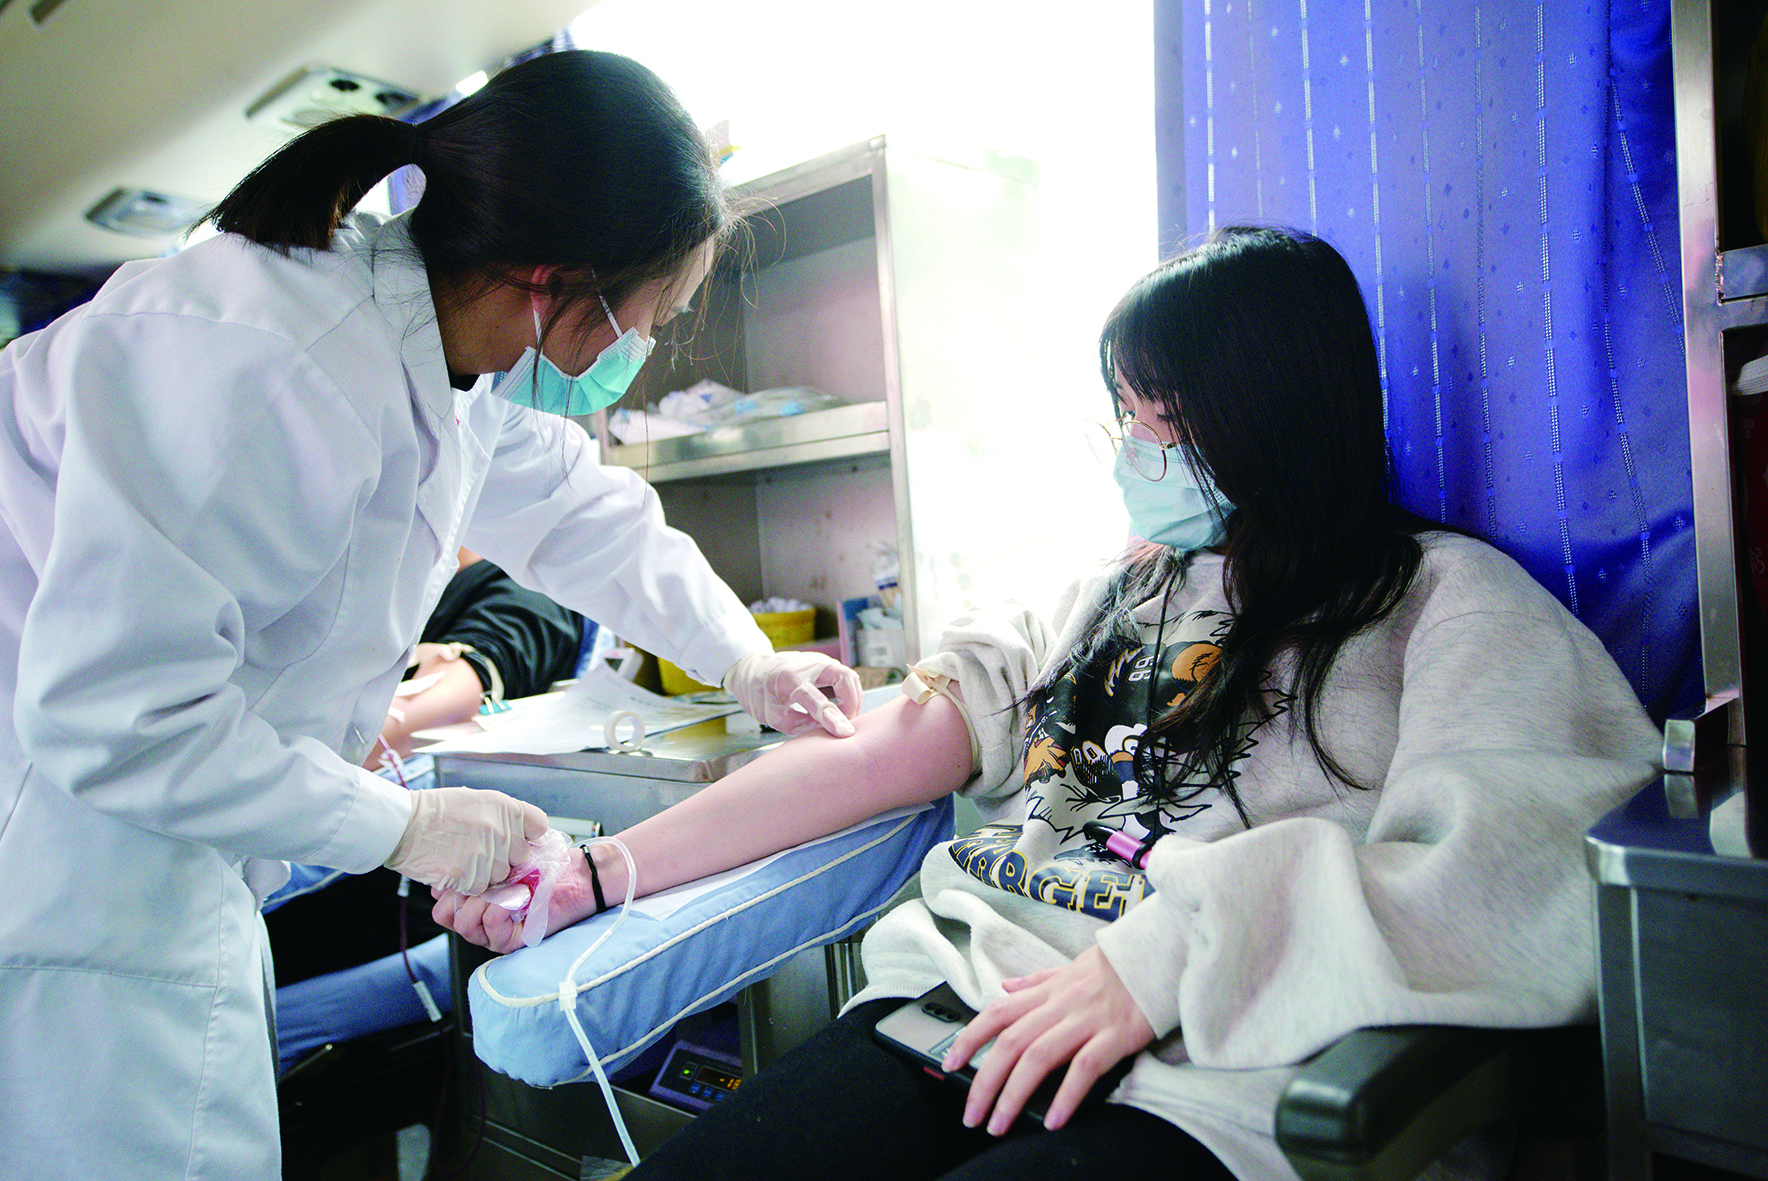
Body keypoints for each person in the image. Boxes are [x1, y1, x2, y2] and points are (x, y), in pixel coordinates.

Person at [435, 227, 1663, 1180]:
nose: (1131, 445)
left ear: (1269, 407)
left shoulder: (1444, 603)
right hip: (969, 1009)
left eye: (1158, 413)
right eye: (1124, 410)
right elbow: (872, 751)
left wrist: (1166, 957)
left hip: (1213, 1068)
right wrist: (596, 874)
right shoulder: (1100, 598)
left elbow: (1520, 869)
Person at [0, 49, 861, 1181]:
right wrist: (401, 827)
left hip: (163, 834)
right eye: (654, 315)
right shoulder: (270, 361)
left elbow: (587, 517)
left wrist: (749, 662)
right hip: (68, 857)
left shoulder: (454, 359)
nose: (643, 349)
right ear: (555, 282)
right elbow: (117, 718)